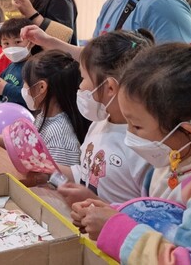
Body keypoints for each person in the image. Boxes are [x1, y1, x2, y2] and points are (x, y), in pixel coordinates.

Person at [71, 39, 191, 264]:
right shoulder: (174, 164)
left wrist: (115, 229)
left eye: (137, 126)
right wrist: (113, 212)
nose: (129, 135)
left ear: (190, 129)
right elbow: (158, 219)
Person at [57, 29, 154, 205]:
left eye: (83, 77)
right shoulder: (99, 123)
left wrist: (97, 206)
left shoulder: (143, 146)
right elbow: (86, 173)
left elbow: (149, 215)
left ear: (109, 87)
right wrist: (50, 169)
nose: (80, 85)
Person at [0, 49, 90, 167]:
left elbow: (58, 182)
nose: (24, 89)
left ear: (41, 87)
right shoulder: (45, 116)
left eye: (25, 83)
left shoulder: (59, 137)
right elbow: (26, 142)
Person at [0, 18, 31, 108]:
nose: (12, 47)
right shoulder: (11, 66)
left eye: (18, 42)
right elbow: (2, 95)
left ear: (31, 41)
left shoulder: (34, 67)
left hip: (24, 118)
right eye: (6, 43)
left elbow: (33, 97)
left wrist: (5, 88)